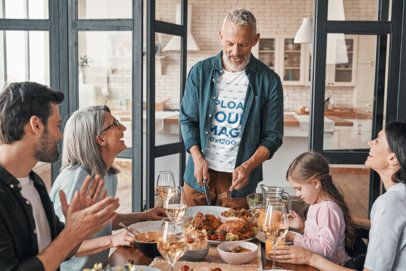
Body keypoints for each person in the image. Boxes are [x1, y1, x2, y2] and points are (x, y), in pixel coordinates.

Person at [0, 82, 120, 270]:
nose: (61, 136)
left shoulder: (35, 184)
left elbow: (58, 248)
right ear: (36, 125)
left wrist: (81, 227)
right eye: (57, 125)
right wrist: (71, 235)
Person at [179, 8, 283, 208]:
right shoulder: (199, 72)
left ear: (255, 39)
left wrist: (247, 167)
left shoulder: (269, 80)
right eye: (229, 43)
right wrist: (197, 157)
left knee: (234, 236)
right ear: (220, 37)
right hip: (199, 173)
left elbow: (273, 136)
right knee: (191, 235)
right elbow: (187, 120)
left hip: (239, 179)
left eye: (243, 44)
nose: (235, 52)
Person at [274, 121, 406, 271]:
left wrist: (309, 257)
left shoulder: (390, 203)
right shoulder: (399, 196)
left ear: (393, 158)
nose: (370, 142)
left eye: (377, 140)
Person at [49, 105, 166, 270]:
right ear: (100, 139)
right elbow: (61, 245)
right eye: (116, 124)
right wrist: (113, 240)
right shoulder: (75, 180)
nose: (123, 128)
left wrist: (144, 216)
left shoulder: (108, 174)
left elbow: (102, 222)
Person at [284, 151, 355, 265]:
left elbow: (325, 249)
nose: (297, 194)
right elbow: (317, 238)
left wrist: (293, 238)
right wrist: (302, 228)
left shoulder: (328, 210)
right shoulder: (315, 204)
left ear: (316, 183)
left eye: (299, 188)